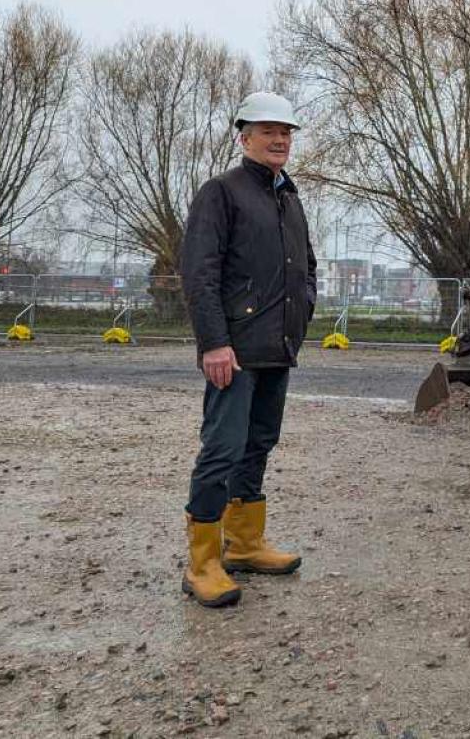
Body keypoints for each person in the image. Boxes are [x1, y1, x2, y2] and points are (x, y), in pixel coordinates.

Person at [179, 91, 317, 607]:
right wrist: (214, 342)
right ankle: (203, 562)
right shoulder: (222, 192)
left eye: (286, 132)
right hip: (233, 351)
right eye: (267, 131)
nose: (279, 139)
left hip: (276, 348)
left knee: (258, 443)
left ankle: (243, 543)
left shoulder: (289, 195)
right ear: (245, 137)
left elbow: (307, 265)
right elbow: (200, 270)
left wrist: (302, 311)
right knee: (222, 449)